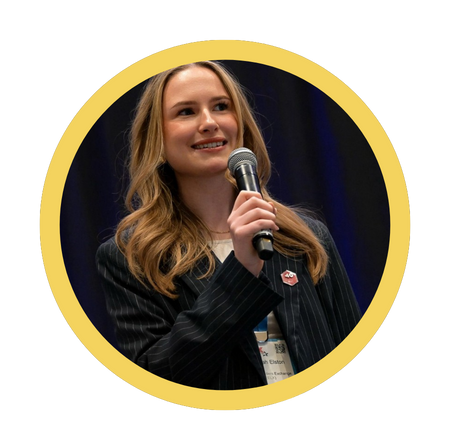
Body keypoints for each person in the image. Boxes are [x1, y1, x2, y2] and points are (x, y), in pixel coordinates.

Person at [96, 61, 361, 390]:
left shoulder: (303, 237)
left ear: (241, 124)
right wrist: (241, 271)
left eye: (221, 106)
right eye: (186, 112)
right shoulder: (131, 256)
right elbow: (157, 378)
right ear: (157, 140)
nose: (209, 123)